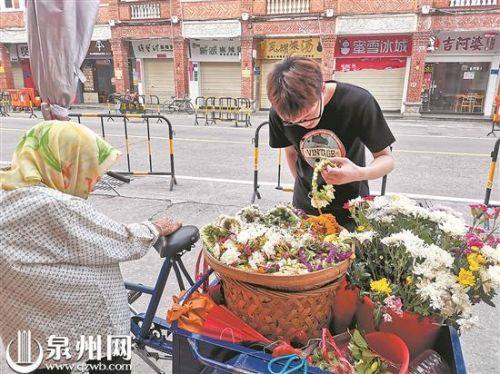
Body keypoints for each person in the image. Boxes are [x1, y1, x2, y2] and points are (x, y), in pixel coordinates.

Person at [0, 121, 181, 372]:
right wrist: (154, 229)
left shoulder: (9, 190)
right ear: (65, 163)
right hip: (85, 339)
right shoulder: (53, 205)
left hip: (28, 338)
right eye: (87, 170)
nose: (93, 182)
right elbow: (117, 240)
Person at [267, 56, 395, 228]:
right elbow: (291, 153)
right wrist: (305, 191)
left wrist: (358, 173)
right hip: (305, 209)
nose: (304, 124)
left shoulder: (357, 102)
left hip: (352, 208)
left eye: (309, 115)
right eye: (294, 122)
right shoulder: (280, 112)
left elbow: (386, 159)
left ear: (322, 88)